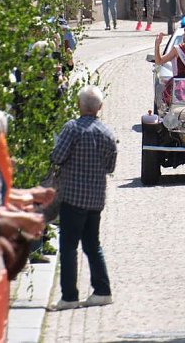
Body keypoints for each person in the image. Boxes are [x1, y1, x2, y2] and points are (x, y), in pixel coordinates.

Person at [50, 86, 117, 310]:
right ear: (100, 107)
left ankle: (69, 296)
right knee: (92, 244)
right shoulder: (107, 134)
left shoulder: (72, 129)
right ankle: (102, 290)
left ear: (79, 105)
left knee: (68, 246)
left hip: (73, 197)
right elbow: (110, 167)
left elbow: (57, 157)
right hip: (96, 199)